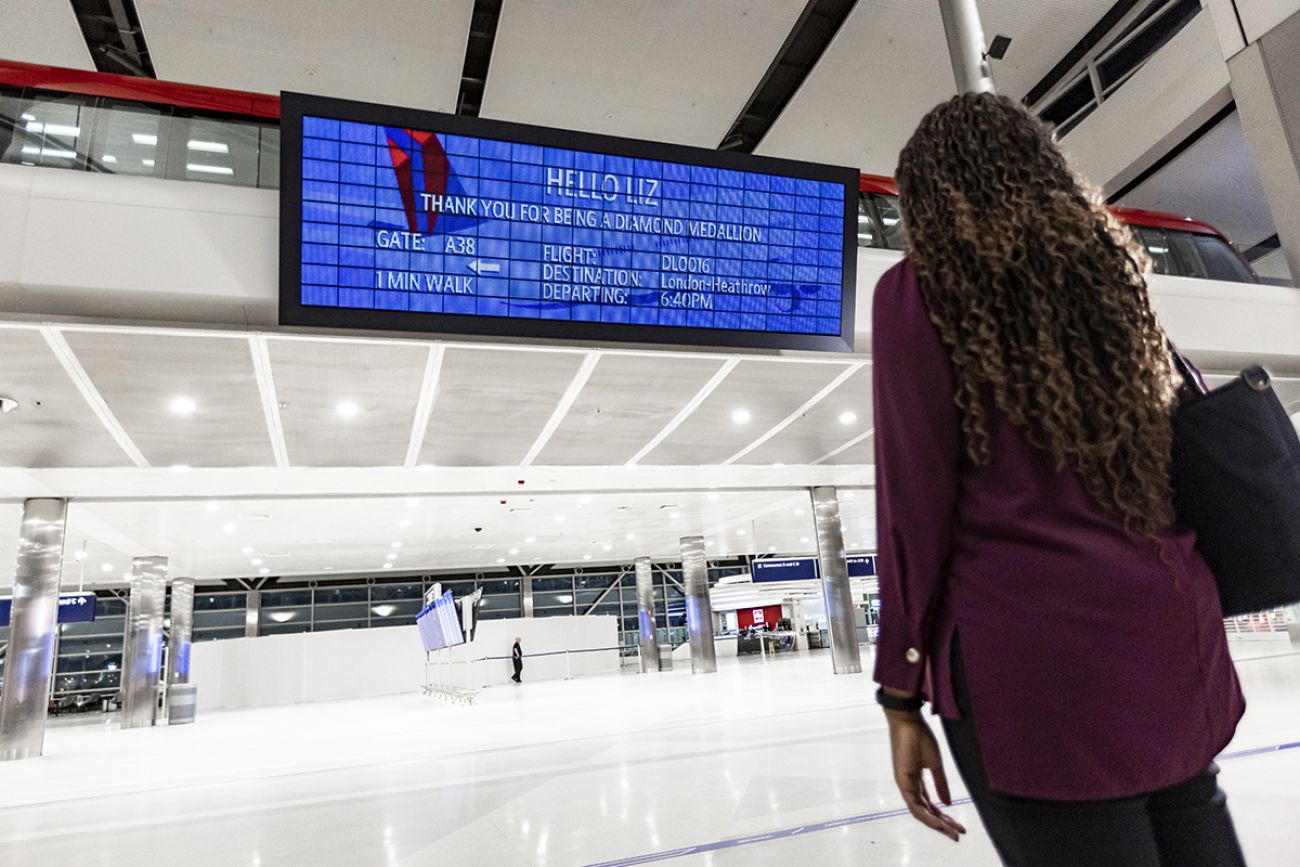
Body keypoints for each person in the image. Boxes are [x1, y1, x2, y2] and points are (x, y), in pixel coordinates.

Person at [871, 92, 1246, 866]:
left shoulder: (918, 293)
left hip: (1032, 673)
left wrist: (899, 689)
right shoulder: (1115, 281)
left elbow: (914, 508)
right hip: (1172, 638)